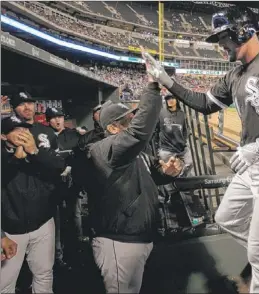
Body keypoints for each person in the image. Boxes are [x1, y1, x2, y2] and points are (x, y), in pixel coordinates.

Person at [143, 7, 259, 293]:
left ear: (243, 31)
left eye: (224, 38)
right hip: (251, 162)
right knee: (226, 218)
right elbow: (204, 104)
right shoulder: (235, 74)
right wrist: (166, 80)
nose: (220, 46)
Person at [86, 74, 183, 293]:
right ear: (112, 128)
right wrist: (153, 88)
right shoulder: (103, 149)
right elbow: (139, 133)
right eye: (128, 121)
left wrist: (166, 173)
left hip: (139, 236)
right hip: (118, 241)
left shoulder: (136, 151)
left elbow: (149, 175)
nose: (133, 123)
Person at [1, 103, 66, 293]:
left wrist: (35, 152)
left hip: (43, 223)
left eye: (25, 129)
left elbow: (59, 166)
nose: (23, 132)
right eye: (15, 130)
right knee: (5, 284)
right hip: (11, 230)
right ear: (3, 136)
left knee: (44, 274)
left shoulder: (36, 152)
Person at [45, 107, 83, 270]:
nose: (57, 120)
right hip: (52, 184)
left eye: (60, 116)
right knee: (56, 221)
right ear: (48, 120)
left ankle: (77, 249)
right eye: (53, 118)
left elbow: (80, 157)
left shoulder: (74, 134)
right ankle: (58, 256)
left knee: (75, 216)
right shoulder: (44, 136)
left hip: (72, 183)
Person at [156, 94, 193, 177]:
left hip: (181, 148)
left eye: (173, 98)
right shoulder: (161, 113)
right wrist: (157, 147)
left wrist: (183, 140)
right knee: (169, 172)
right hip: (166, 149)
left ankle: (181, 181)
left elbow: (185, 129)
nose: (170, 100)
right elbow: (156, 130)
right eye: (168, 99)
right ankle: (172, 185)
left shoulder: (182, 114)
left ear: (177, 100)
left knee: (189, 163)